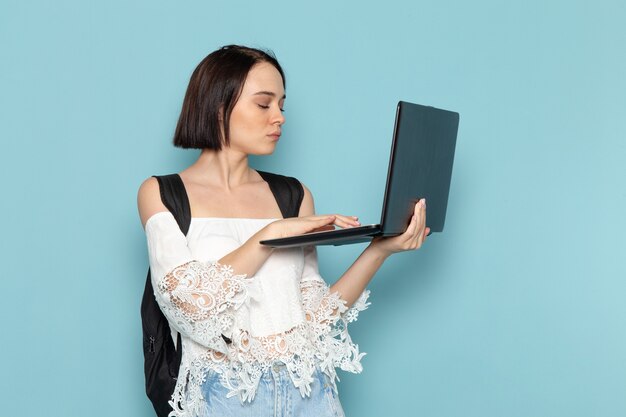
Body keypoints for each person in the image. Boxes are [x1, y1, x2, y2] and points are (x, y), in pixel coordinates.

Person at [137, 45, 429, 417]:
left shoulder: (292, 195)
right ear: (217, 106)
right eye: (264, 104)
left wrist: (380, 250)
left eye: (282, 105)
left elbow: (313, 318)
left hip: (311, 391)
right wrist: (269, 237)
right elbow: (191, 308)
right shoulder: (162, 194)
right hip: (225, 396)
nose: (279, 117)